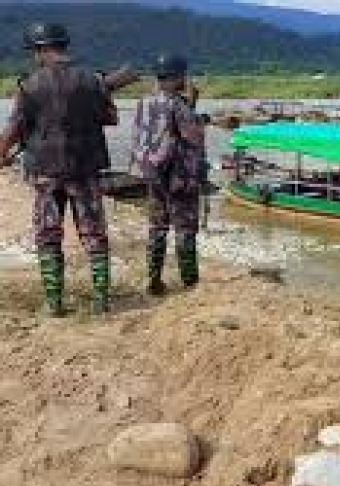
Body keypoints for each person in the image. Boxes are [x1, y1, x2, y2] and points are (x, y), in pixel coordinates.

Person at [0, 22, 116, 316]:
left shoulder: (30, 85)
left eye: (34, 51)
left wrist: (2, 154)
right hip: (85, 169)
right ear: (65, 45)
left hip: (46, 171)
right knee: (94, 234)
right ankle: (101, 301)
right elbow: (111, 118)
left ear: (41, 49)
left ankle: (54, 304)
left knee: (48, 236)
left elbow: (14, 129)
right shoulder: (92, 80)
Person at [130, 54, 207, 296]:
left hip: (154, 174)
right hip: (180, 177)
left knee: (157, 227)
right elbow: (194, 137)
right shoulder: (178, 104)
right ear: (177, 77)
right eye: (183, 75)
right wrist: (192, 109)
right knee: (185, 229)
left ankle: (153, 281)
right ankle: (189, 282)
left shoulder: (144, 102)